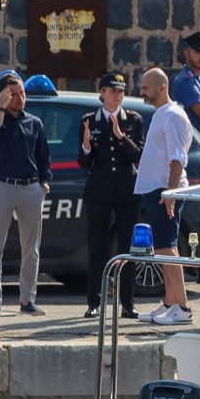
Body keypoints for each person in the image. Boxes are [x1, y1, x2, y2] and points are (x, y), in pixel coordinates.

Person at [0, 70, 52, 317]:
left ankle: (27, 300)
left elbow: (43, 155)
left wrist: (44, 182)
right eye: (14, 94)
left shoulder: (35, 122)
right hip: (2, 185)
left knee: (31, 247)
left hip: (30, 187)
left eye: (22, 93)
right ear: (3, 95)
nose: (20, 98)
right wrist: (1, 108)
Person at [79, 72, 147, 318]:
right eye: (112, 91)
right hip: (100, 190)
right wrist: (86, 146)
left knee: (128, 246)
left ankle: (127, 303)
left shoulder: (133, 120)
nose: (117, 96)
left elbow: (138, 155)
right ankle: (94, 302)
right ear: (102, 93)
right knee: (98, 246)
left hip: (127, 190)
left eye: (121, 91)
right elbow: (84, 162)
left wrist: (120, 136)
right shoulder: (90, 120)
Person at [135, 67, 194, 326]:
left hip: (164, 188)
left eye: (146, 88)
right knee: (162, 246)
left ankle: (182, 307)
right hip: (155, 188)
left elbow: (177, 157)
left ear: (161, 87)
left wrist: (170, 191)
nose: (142, 92)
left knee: (167, 246)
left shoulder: (173, 116)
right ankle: (170, 302)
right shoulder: (161, 115)